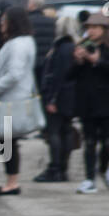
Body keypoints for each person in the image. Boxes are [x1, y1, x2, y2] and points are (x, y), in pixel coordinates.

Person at [69, 13, 109, 193]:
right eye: (88, 28)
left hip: (108, 100)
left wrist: (97, 61)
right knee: (90, 141)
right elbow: (69, 75)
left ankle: (103, 168)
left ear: (104, 29)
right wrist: (78, 61)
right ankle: (89, 178)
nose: (91, 31)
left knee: (108, 141)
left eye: (95, 27)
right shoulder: (82, 45)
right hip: (87, 100)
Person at [0, 7, 37, 195]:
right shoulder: (25, 42)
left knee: (5, 140)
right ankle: (11, 181)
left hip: (10, 99)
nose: (1, 24)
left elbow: (15, 73)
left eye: (5, 20)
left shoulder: (17, 44)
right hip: (15, 97)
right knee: (6, 140)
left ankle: (12, 183)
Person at [37, 15, 80, 184]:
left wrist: (51, 99)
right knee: (66, 130)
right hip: (70, 95)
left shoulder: (60, 48)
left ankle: (56, 167)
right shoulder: (74, 48)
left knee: (55, 131)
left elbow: (57, 76)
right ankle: (62, 167)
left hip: (59, 95)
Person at [27, 0, 57, 89]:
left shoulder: (27, 21)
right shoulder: (51, 22)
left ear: (32, 4)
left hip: (31, 61)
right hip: (46, 61)